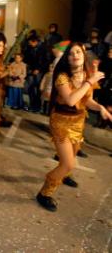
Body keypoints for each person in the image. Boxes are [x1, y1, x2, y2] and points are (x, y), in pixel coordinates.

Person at [36, 42, 112, 212]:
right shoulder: (62, 77)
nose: (75, 55)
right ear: (67, 59)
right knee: (68, 164)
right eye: (71, 54)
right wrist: (90, 81)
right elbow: (71, 100)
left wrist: (99, 108)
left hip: (78, 122)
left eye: (78, 52)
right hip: (61, 122)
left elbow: (86, 100)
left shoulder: (86, 75)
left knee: (73, 153)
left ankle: (64, 175)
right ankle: (44, 194)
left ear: (84, 55)